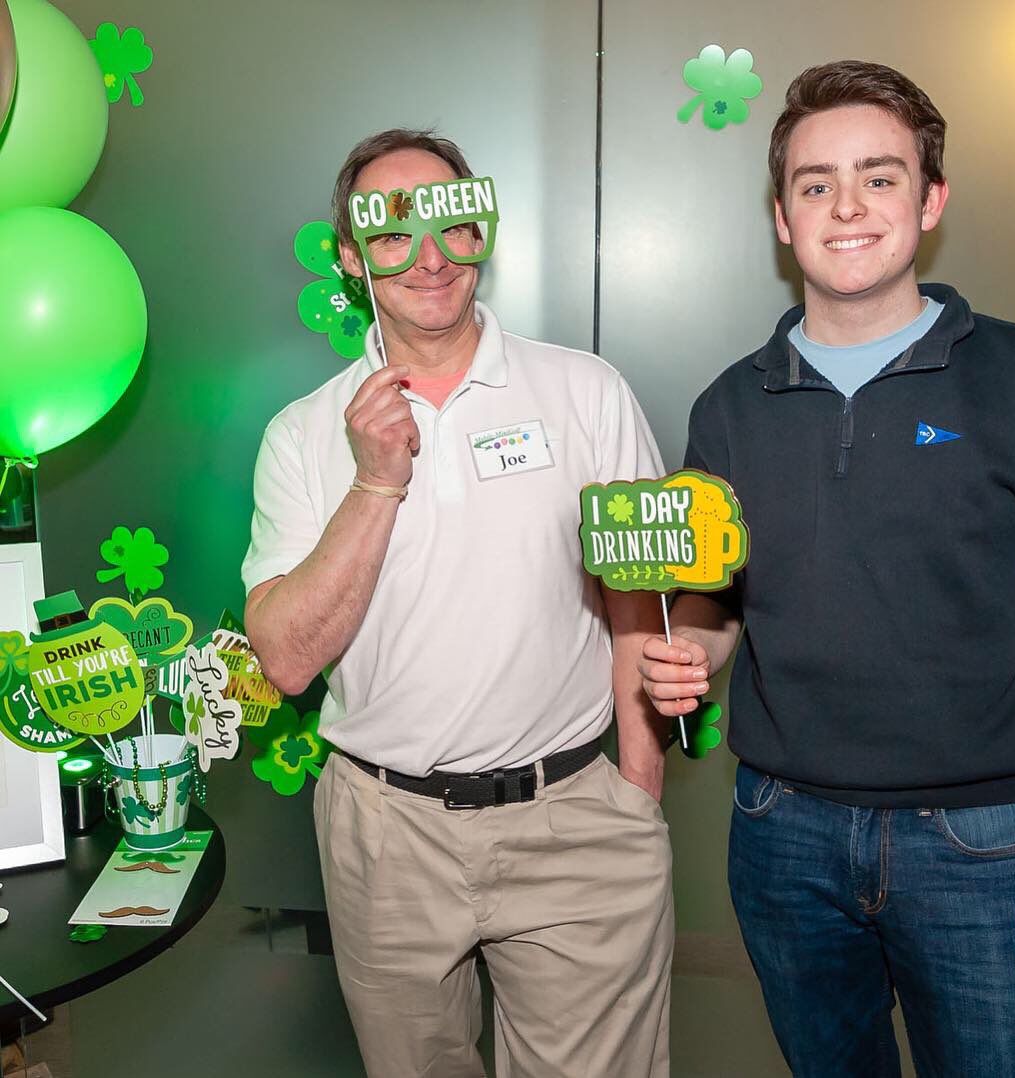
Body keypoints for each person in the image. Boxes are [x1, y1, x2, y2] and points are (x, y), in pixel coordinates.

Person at [639, 61, 1015, 1076]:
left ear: (930, 202)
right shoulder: (729, 407)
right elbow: (717, 600)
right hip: (780, 833)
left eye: (879, 177)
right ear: (783, 219)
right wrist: (686, 655)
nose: (846, 206)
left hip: (989, 843)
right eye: (813, 183)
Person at [242, 128, 673, 1078]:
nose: (429, 257)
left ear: (482, 229)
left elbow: (642, 600)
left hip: (573, 817)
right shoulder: (303, 434)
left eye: (451, 223)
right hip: (385, 834)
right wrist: (375, 483)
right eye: (391, 233)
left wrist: (635, 794)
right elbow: (285, 658)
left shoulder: (586, 391)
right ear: (351, 260)